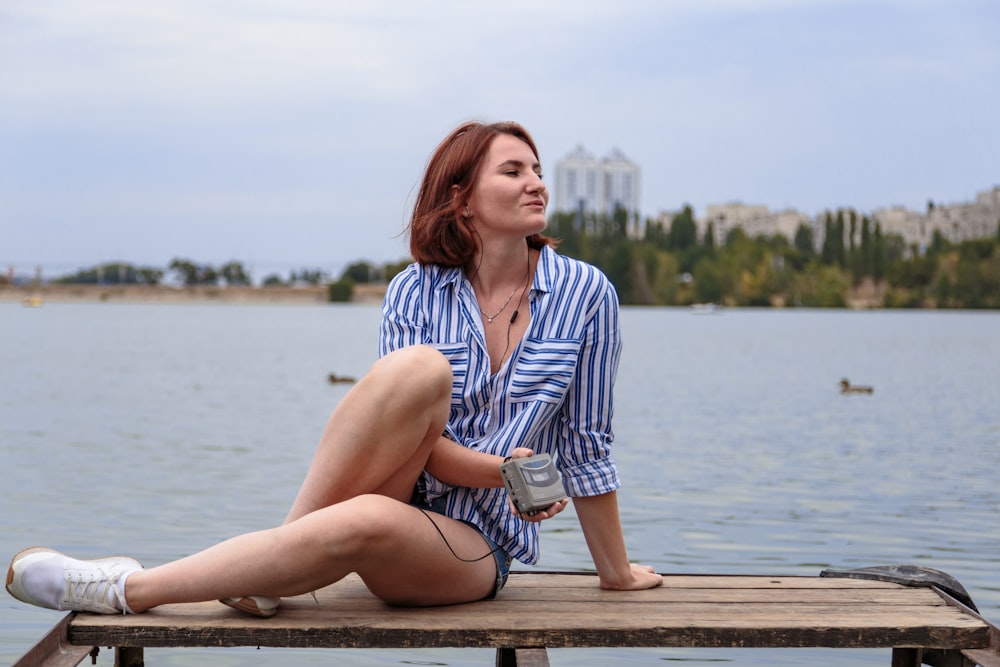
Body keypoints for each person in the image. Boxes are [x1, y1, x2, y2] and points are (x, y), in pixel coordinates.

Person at [6, 120, 662, 618]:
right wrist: (504, 468)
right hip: (402, 482)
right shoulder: (416, 290)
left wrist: (615, 571)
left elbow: (584, 445)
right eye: (513, 170)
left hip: (474, 544)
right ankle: (273, 566)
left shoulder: (586, 294)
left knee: (364, 522)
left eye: (538, 169)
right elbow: (420, 444)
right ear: (462, 199)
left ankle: (126, 588)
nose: (536, 182)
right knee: (419, 370)